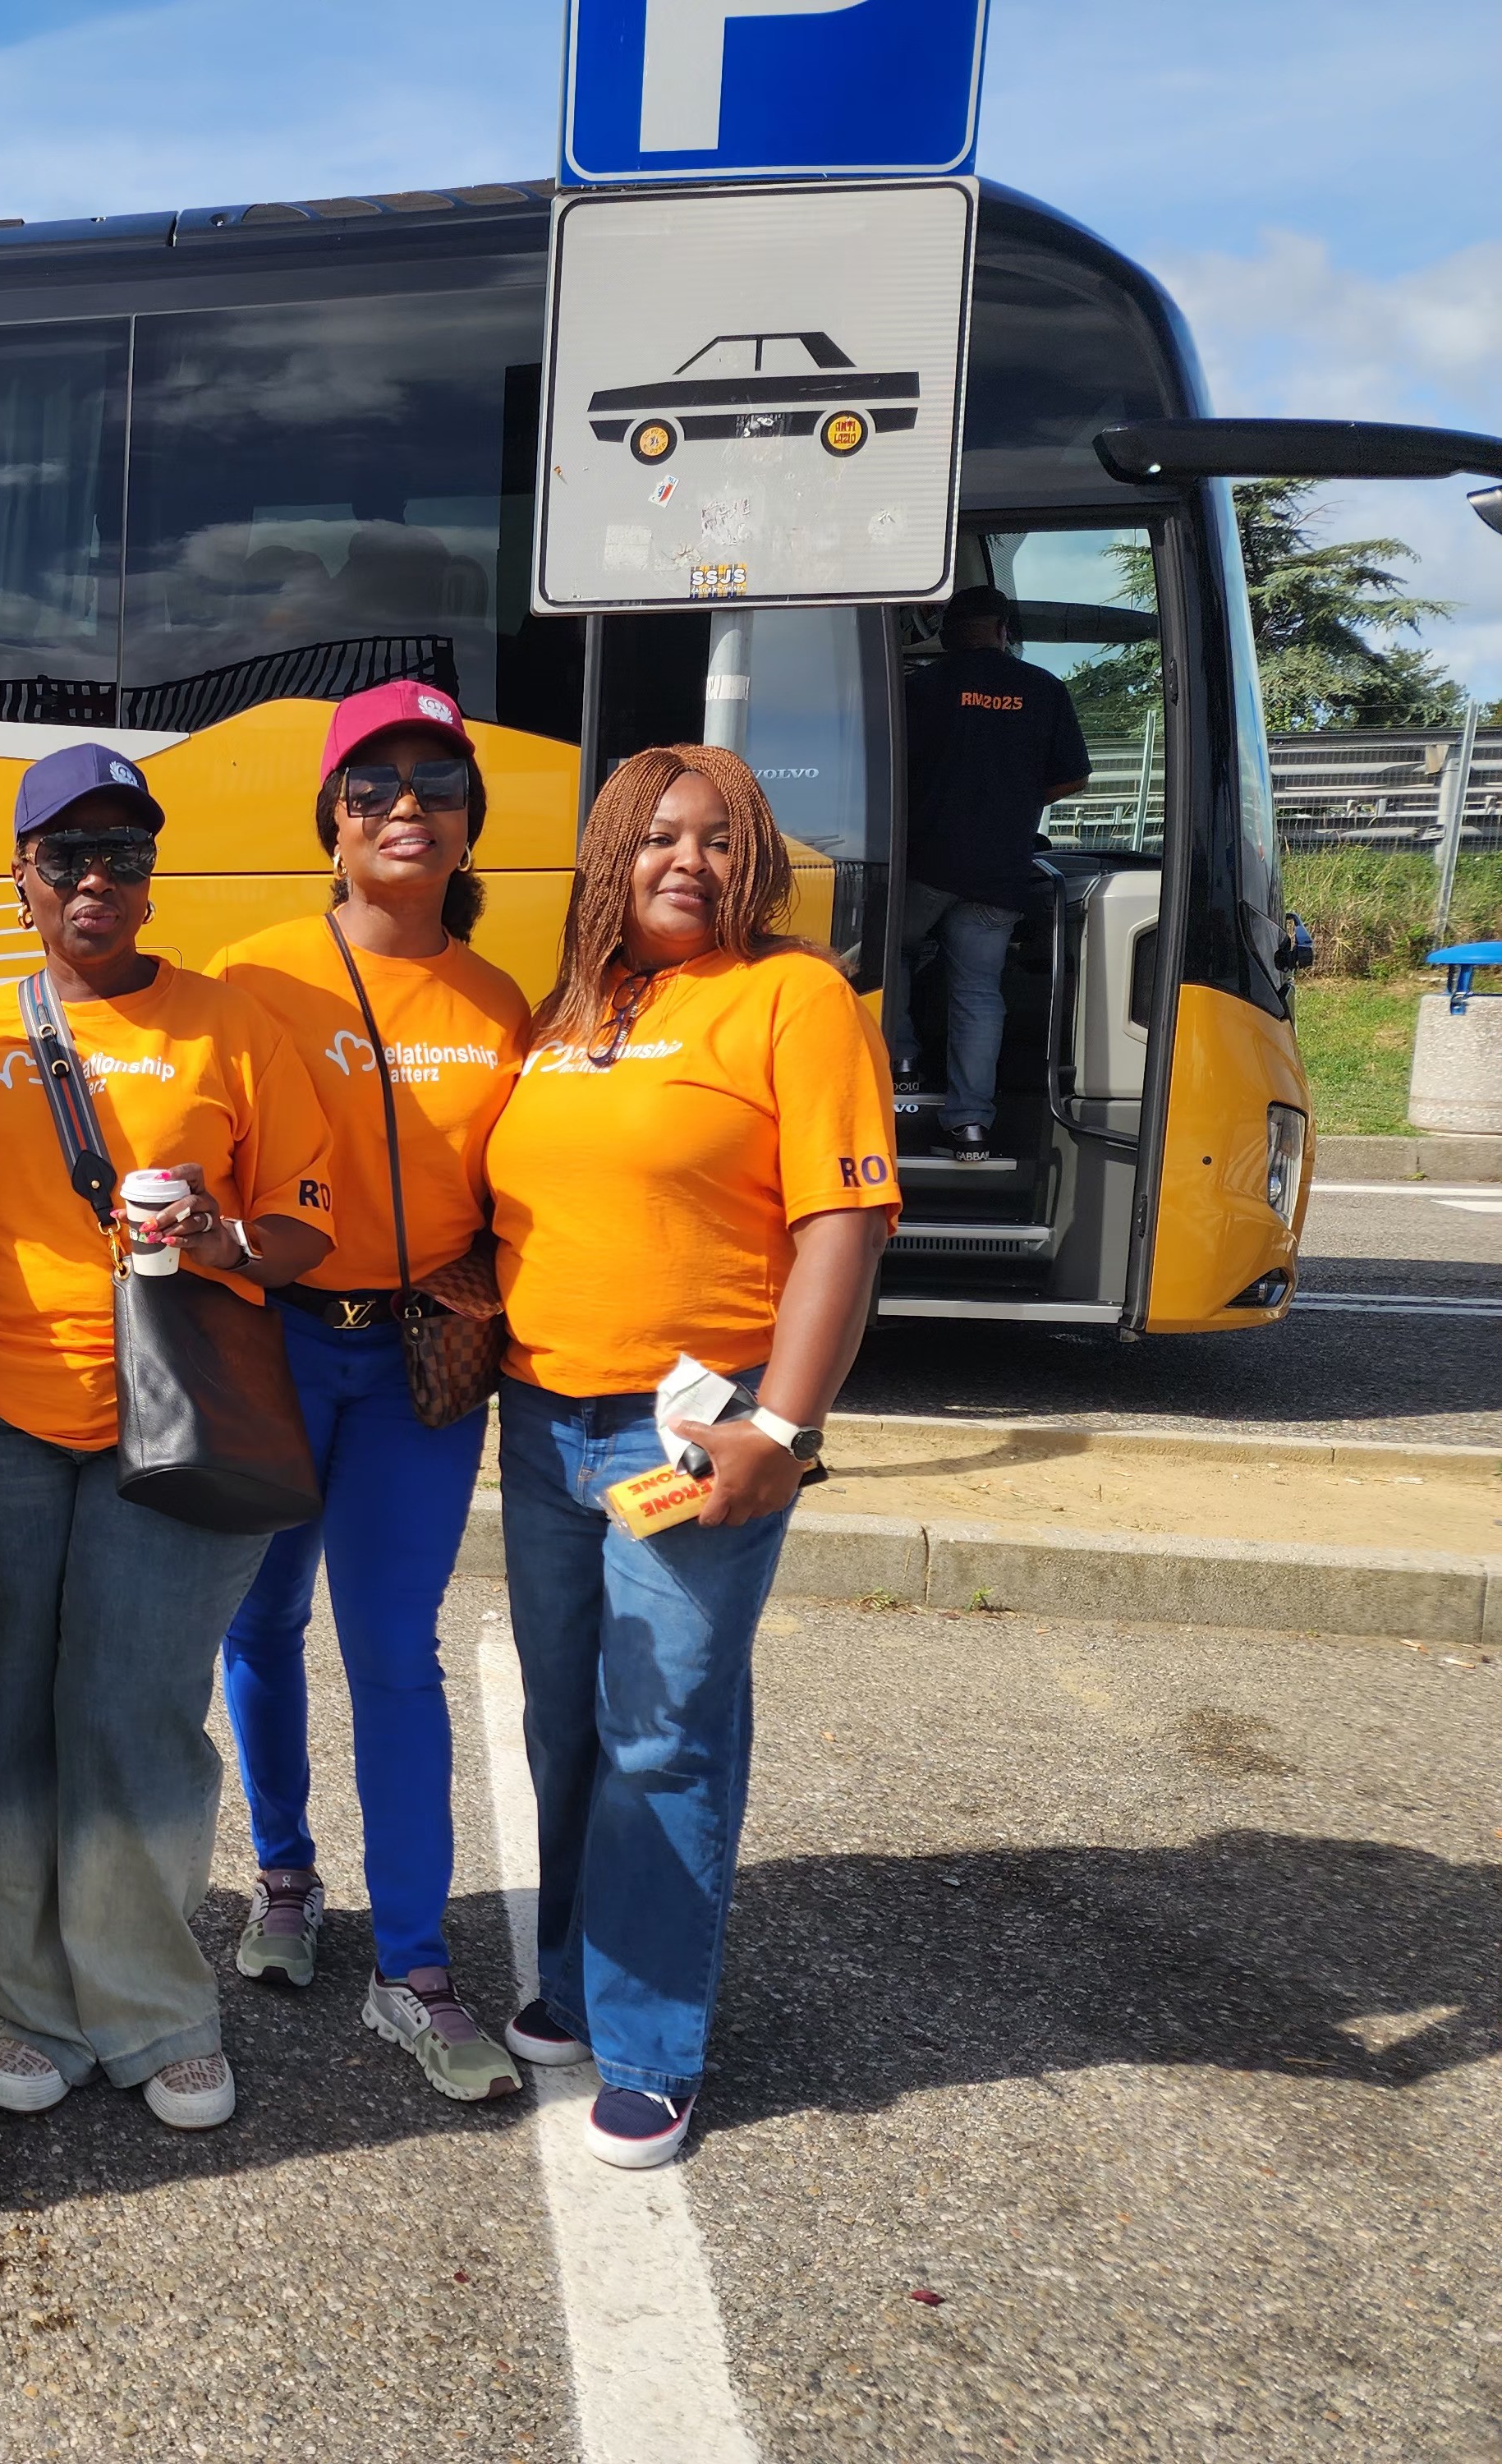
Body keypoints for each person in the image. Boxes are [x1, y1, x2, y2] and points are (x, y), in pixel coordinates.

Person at [0, 742, 335, 2133]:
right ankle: (34, 2007)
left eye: (122, 855)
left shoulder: (232, 1028)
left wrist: (220, 1237)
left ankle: (153, 2012)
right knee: (0, 1716)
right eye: (65, 856)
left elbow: (307, 1225)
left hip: (176, 1421)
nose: (94, 878)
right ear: (20, 879)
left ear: (151, 880)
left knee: (134, 1716)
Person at [483, 742, 895, 2171]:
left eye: (720, 839)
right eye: (659, 835)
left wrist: (782, 1428)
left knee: (664, 1733)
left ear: (756, 859)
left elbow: (846, 1225)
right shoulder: (566, 1010)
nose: (689, 861)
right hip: (543, 1415)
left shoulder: (795, 996)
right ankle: (571, 1979)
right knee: (564, 1720)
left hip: (691, 1425)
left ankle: (652, 2045)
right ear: (612, 852)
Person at [209, 678, 530, 2102]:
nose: (408, 807)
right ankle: (284, 1876)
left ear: (470, 823)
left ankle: (414, 1967)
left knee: (395, 1649)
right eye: (374, 786)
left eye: (438, 785)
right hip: (276, 1342)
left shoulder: (499, 998)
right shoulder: (253, 974)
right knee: (260, 1620)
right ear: (330, 823)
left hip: (415, 1366)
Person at [892, 584, 1091, 1164]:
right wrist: (1018, 799)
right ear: (1004, 630)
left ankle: (902, 1060)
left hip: (925, 864)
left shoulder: (920, 688)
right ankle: (971, 1126)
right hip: (1000, 869)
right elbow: (1074, 777)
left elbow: (887, 766)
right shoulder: (1044, 689)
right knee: (979, 992)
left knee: (889, 951)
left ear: (948, 632)